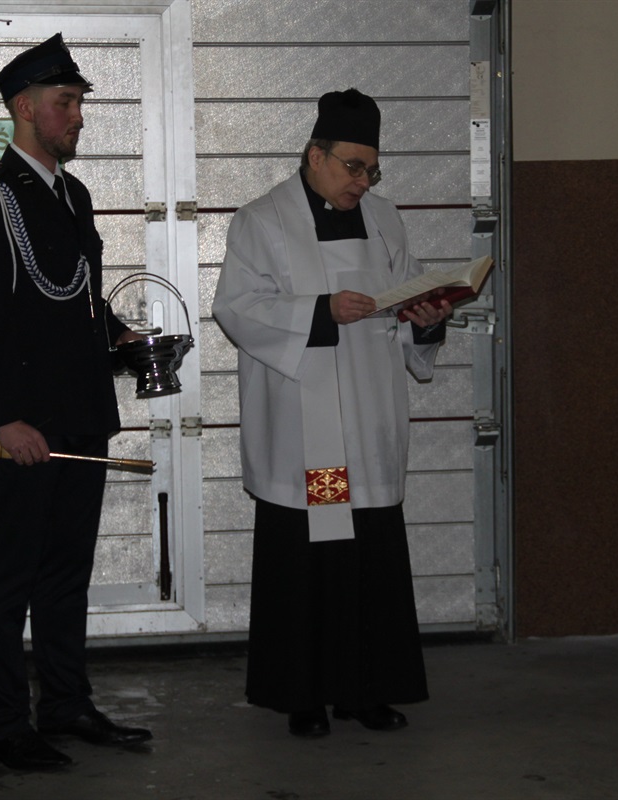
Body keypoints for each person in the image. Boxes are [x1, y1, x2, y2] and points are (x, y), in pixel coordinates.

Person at [212, 88, 453, 738]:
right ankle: (305, 695)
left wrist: (427, 318)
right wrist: (321, 311)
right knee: (315, 556)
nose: (362, 181)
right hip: (310, 431)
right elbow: (236, 307)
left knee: (366, 556)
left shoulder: (385, 219)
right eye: (352, 166)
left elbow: (408, 296)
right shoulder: (263, 221)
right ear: (314, 155)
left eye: (371, 169)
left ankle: (364, 691)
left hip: (369, 424)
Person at [0, 34, 149, 771]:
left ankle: (65, 703)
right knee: (9, 577)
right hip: (20, 426)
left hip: (79, 416)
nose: (78, 117)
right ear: (25, 108)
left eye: (78, 103)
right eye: (66, 103)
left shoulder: (73, 195)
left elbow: (74, 300)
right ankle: (5, 725)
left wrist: (120, 337)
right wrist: (4, 418)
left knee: (65, 572)